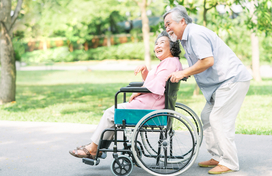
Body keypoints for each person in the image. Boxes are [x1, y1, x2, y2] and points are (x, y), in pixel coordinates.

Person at [163, 5, 252, 175]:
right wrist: (186, 73)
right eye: (165, 26)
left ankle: (230, 162)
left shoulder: (195, 34)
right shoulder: (185, 38)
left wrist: (183, 72)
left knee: (218, 119)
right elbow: (200, 64)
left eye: (169, 24)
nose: (167, 28)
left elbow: (207, 61)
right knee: (207, 117)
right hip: (219, 84)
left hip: (230, 80)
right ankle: (217, 157)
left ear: (182, 21)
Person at [69, 31, 183, 159]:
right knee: (113, 113)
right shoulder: (170, 62)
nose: (157, 46)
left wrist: (137, 92)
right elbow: (154, 82)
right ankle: (96, 147)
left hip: (149, 107)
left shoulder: (169, 63)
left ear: (172, 46)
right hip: (151, 104)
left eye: (162, 42)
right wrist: (145, 71)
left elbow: (156, 85)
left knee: (110, 113)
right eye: (156, 43)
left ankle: (94, 148)